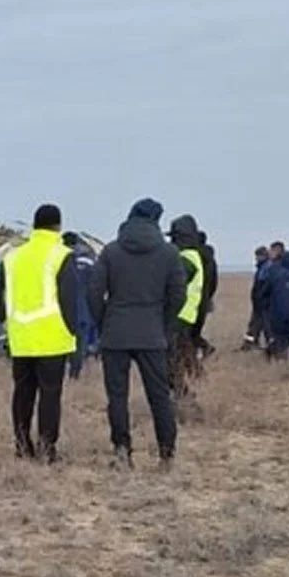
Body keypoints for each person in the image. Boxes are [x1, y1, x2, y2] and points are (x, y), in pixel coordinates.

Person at [88, 198, 185, 471]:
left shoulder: (111, 251)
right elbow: (178, 294)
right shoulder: (169, 253)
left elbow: (94, 292)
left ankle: (122, 453)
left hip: (115, 333)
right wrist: (163, 323)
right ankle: (166, 455)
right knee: (159, 396)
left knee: (117, 398)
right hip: (152, 333)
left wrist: (103, 322)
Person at [0, 204, 77, 463]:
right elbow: (70, 299)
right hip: (53, 338)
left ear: (34, 225)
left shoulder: (13, 257)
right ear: (58, 226)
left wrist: (6, 317)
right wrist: (72, 330)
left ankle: (22, 447)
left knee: (22, 393)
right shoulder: (62, 255)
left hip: (21, 337)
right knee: (50, 395)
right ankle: (47, 449)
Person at [165, 215, 206, 408]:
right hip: (186, 317)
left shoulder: (187, 258)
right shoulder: (193, 255)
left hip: (179, 317)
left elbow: (173, 284)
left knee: (172, 364)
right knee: (179, 360)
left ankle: (185, 402)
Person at [61, 232, 98, 380]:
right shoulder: (88, 263)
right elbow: (95, 289)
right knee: (79, 346)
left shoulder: (59, 260)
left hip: (60, 310)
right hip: (82, 310)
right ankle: (74, 375)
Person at [261, 241, 289, 361]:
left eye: (271, 251)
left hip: (278, 313)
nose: (268, 253)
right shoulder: (270, 270)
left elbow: (282, 298)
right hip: (273, 312)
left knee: (281, 341)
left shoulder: (279, 273)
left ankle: (281, 364)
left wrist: (286, 316)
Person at [193, 230, 218, 358]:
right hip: (206, 296)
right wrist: (209, 295)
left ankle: (203, 348)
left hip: (194, 297)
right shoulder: (210, 259)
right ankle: (203, 349)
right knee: (198, 329)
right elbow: (214, 280)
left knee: (190, 331)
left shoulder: (195, 256)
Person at [241, 246, 270, 351]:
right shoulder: (262, 267)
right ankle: (249, 344)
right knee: (254, 325)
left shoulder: (265, 268)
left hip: (262, 303)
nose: (256, 258)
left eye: (258, 256)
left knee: (264, 326)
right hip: (259, 303)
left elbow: (262, 286)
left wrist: (260, 298)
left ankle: (270, 346)